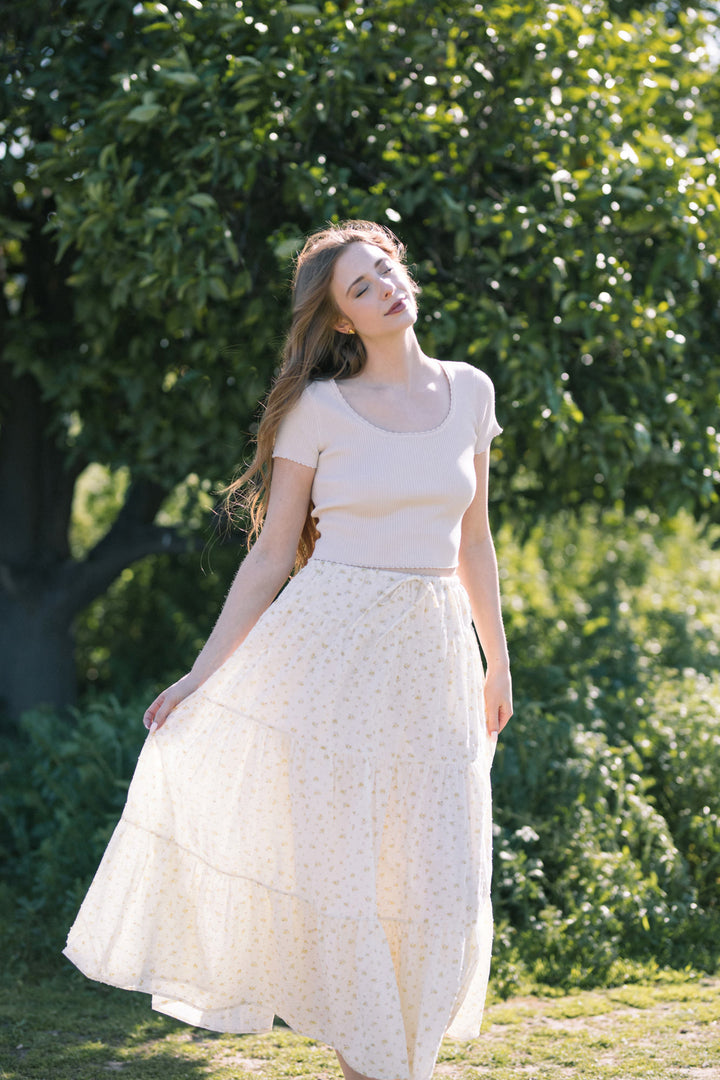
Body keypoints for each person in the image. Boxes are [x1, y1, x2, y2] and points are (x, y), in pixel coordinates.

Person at [63, 220, 513, 1080]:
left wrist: (497, 658)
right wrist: (204, 674)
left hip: (434, 658)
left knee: (434, 881)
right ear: (341, 320)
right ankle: (379, 1064)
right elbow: (271, 554)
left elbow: (475, 540)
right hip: (331, 650)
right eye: (361, 287)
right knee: (346, 880)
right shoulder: (318, 409)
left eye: (385, 269)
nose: (385, 287)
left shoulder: (471, 390)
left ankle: (393, 1061)